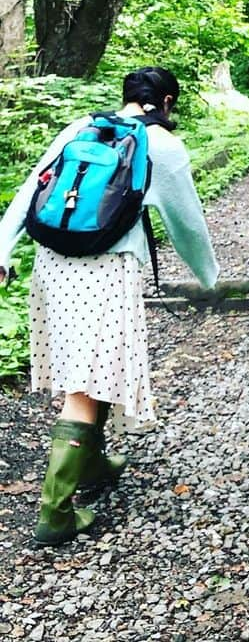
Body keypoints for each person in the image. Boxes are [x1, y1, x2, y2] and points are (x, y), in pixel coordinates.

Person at [0, 66, 220, 546]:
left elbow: (30, 192)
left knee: (92, 369)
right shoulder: (161, 146)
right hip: (106, 270)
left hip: (52, 266)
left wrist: (1, 248)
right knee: (86, 380)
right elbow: (187, 224)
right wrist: (210, 279)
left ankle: (94, 463)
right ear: (166, 104)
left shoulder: (81, 127)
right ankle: (55, 513)